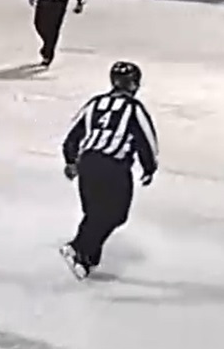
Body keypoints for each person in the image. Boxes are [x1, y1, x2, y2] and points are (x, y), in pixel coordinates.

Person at [59, 61, 160, 280]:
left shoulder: (95, 103)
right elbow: (146, 139)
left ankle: (87, 261)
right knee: (116, 214)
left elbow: (72, 136)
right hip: (113, 165)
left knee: (94, 213)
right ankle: (77, 247)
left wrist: (71, 161)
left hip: (87, 163)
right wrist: (149, 167)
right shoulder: (134, 108)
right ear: (134, 85)